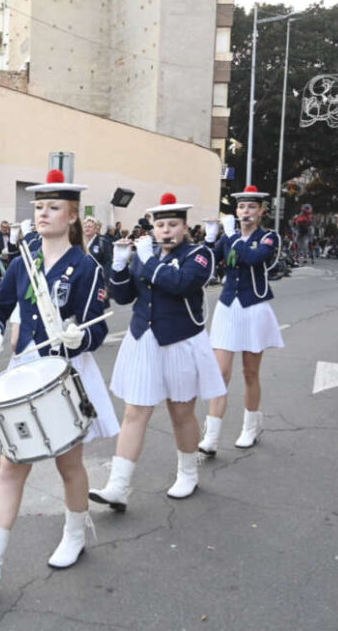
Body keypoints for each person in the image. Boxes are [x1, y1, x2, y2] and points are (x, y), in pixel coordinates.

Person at [0, 169, 118, 592]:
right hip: (26, 368)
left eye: (53, 207)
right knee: (12, 464)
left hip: (66, 372)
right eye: (39, 207)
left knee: (69, 464)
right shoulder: (26, 258)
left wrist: (83, 336)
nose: (43, 213)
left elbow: (96, 327)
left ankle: (76, 534)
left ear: (73, 215)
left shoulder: (86, 267)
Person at [90, 194, 226, 511]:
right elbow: (124, 297)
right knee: (135, 412)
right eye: (160, 224)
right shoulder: (146, 253)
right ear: (153, 227)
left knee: (181, 412)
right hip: (144, 339)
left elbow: (180, 283)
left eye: (173, 224)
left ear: (184, 226)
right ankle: (118, 486)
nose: (166, 231)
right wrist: (121, 265)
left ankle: (188, 472)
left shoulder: (199, 254)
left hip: (180, 341)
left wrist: (148, 259)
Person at [199, 185, 284, 455]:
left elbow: (254, 258)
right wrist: (211, 240)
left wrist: (231, 236)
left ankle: (250, 426)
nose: (245, 212)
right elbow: (206, 263)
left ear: (260, 211)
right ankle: (211, 436)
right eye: (241, 207)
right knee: (220, 373)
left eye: (250, 207)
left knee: (250, 372)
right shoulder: (229, 237)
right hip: (227, 307)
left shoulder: (269, 238)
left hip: (254, 307)